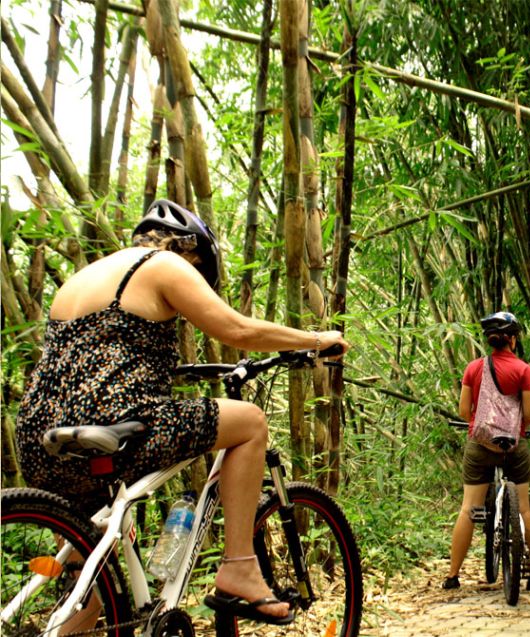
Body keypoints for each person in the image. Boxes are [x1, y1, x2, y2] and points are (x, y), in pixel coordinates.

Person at [15, 199, 349, 625]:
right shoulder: (162, 265)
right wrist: (317, 338)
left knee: (93, 589)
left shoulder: (86, 277)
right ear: (192, 253)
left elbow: (106, 361)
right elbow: (238, 330)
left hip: (43, 437)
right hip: (115, 421)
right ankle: (240, 567)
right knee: (249, 422)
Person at [443, 311, 530, 592]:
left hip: (479, 445)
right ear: (512, 340)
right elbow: (529, 415)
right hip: (514, 446)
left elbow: (464, 411)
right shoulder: (523, 370)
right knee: (524, 509)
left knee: (468, 509)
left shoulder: (473, 368)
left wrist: (484, 424)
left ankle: (453, 576)